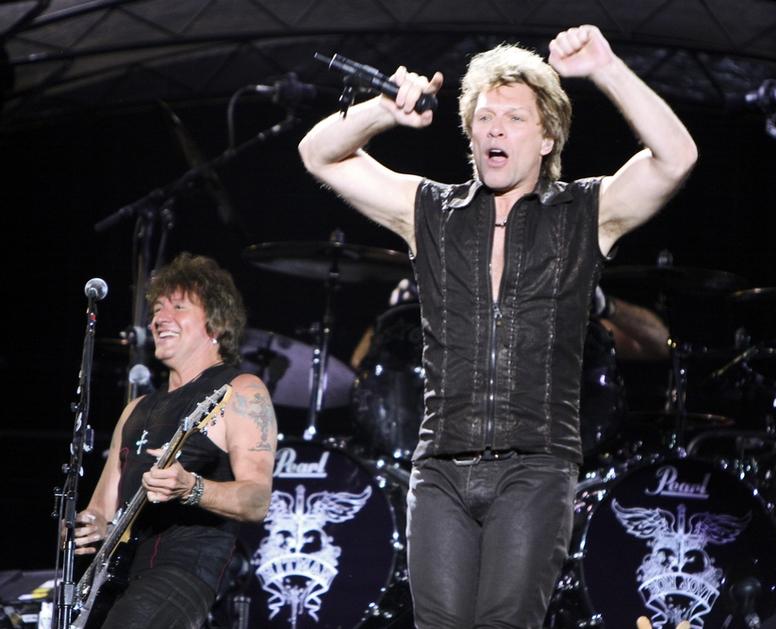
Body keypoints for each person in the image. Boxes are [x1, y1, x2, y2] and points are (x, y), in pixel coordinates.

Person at [299, 24, 696, 629]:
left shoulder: (586, 213)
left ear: (547, 137)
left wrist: (607, 68)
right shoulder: (429, 210)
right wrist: (383, 109)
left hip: (536, 466)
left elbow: (676, 158)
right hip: (439, 467)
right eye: (484, 118)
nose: (495, 131)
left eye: (513, 119)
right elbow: (318, 154)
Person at [73, 253, 278, 628]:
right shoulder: (135, 409)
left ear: (216, 323)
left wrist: (192, 487)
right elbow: (101, 508)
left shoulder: (241, 391)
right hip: (115, 577)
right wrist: (88, 525)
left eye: (178, 307)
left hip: (183, 569)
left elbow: (257, 500)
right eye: (157, 310)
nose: (158, 319)